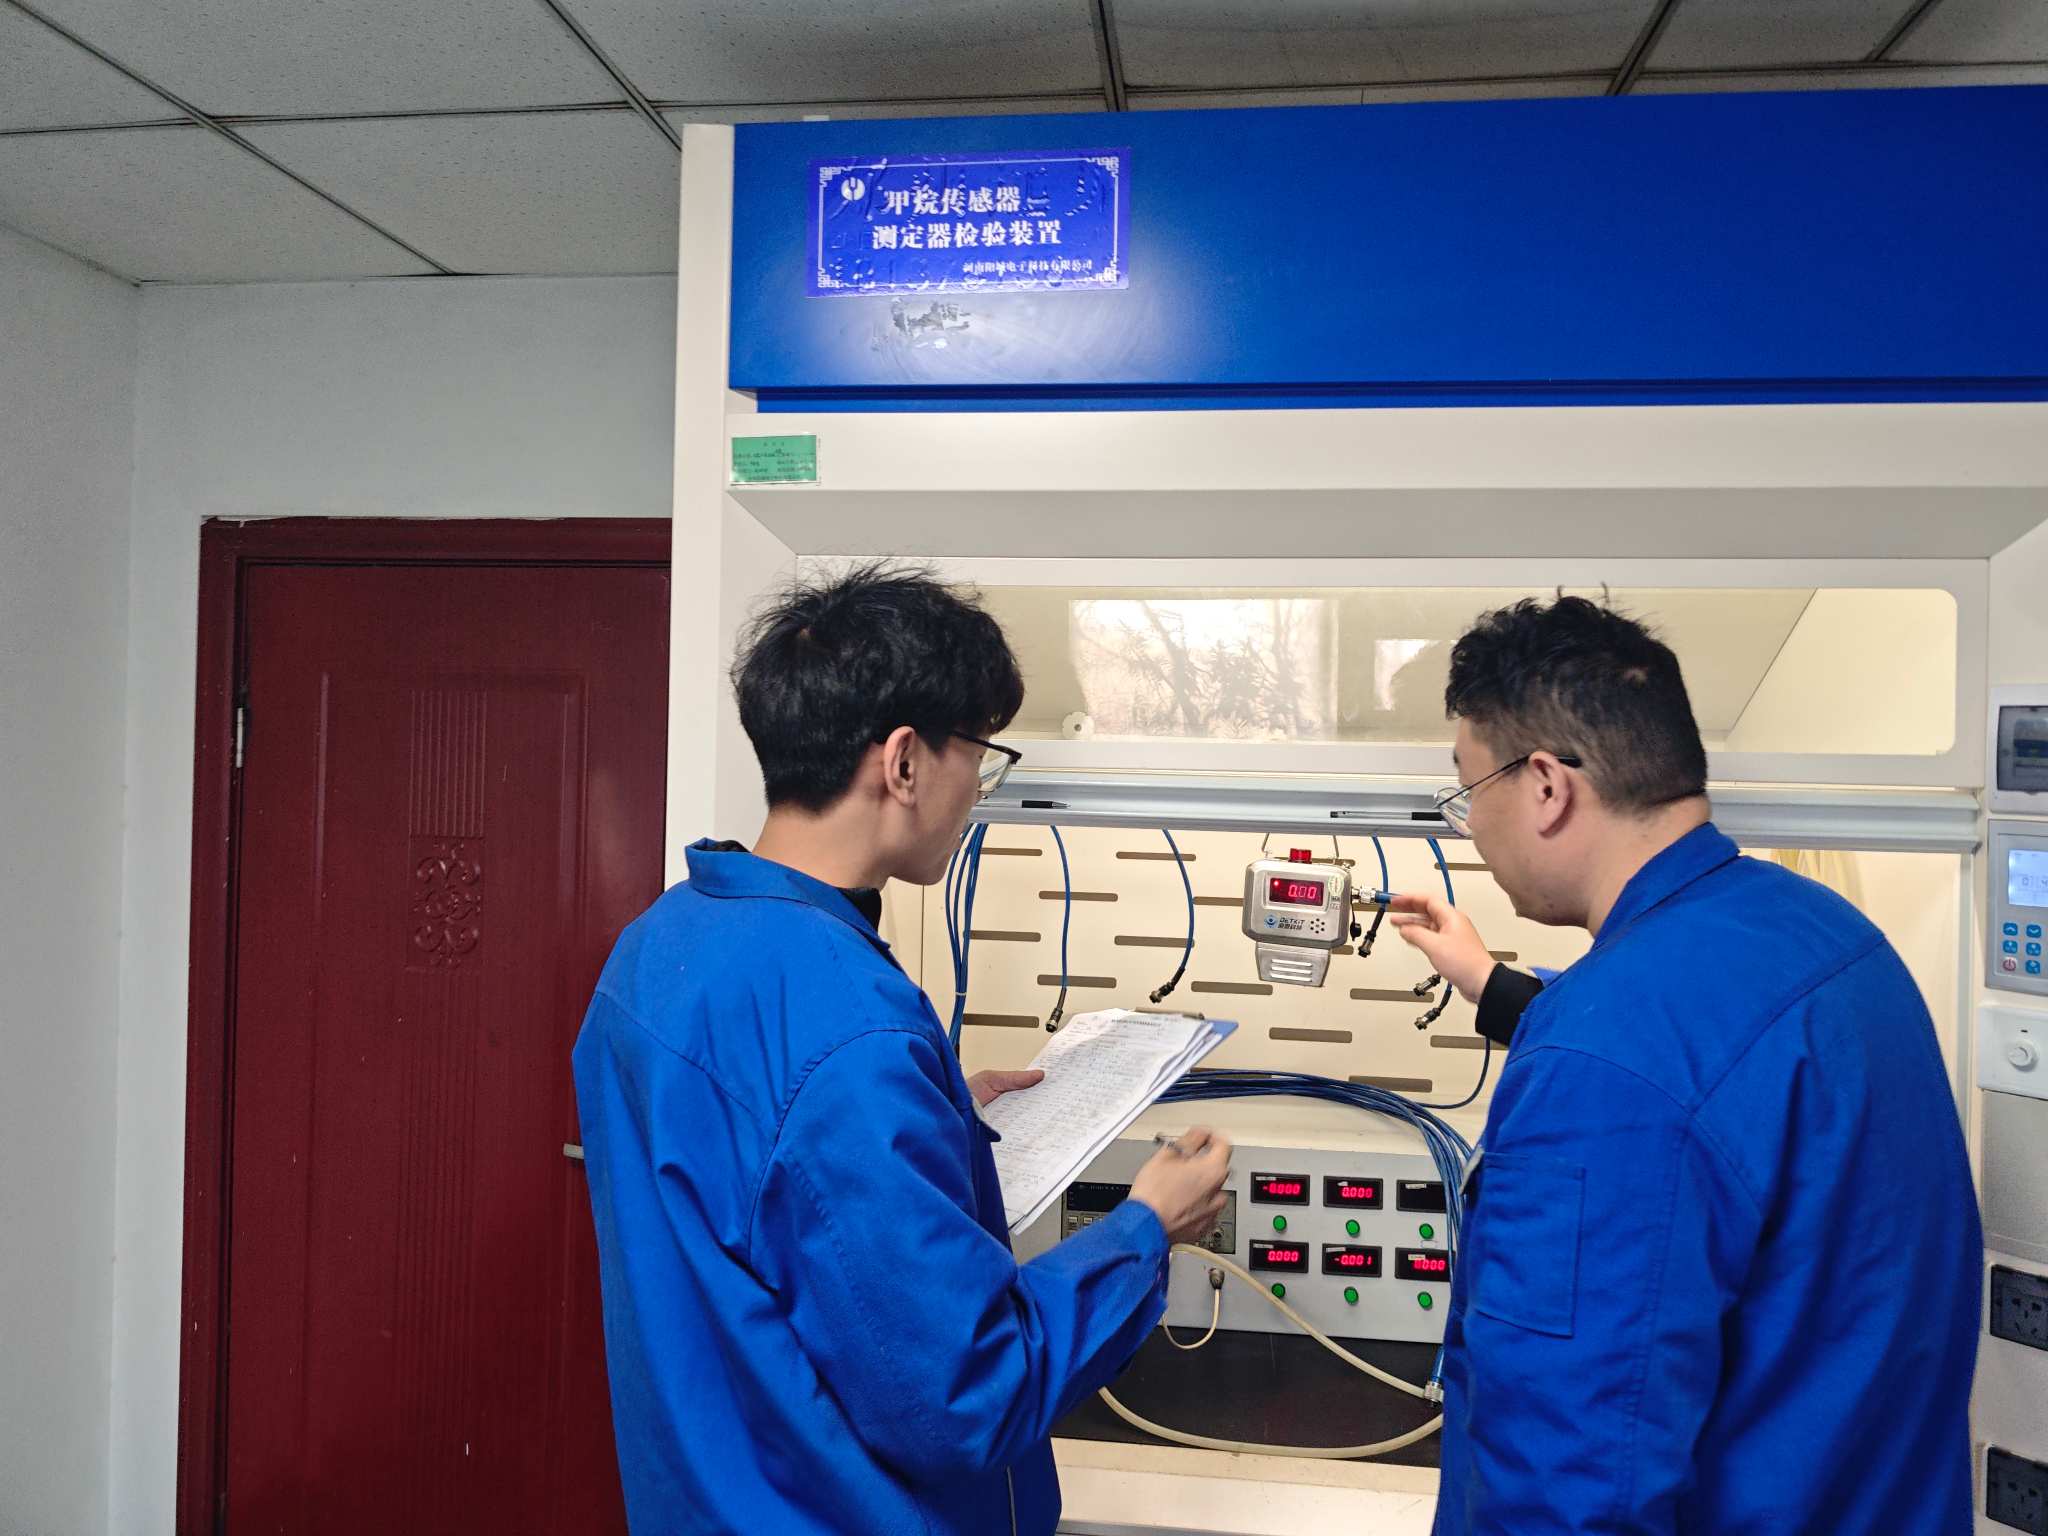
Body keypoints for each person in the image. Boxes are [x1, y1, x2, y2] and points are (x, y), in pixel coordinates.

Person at [572, 562, 1232, 1535]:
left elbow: (750, 1185)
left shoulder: (659, 945)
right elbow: (967, 1397)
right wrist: (1144, 1231)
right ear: (904, 762)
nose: (978, 791)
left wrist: (931, 1112)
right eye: (980, 755)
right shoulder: (851, 1033)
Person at [1387, 596, 1979, 1535]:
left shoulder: (1601, 1062)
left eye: (1468, 792)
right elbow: (1708, 1077)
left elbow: (1565, 1481)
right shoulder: (1829, 936)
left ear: (1545, 786)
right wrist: (1494, 986)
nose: (1472, 829)